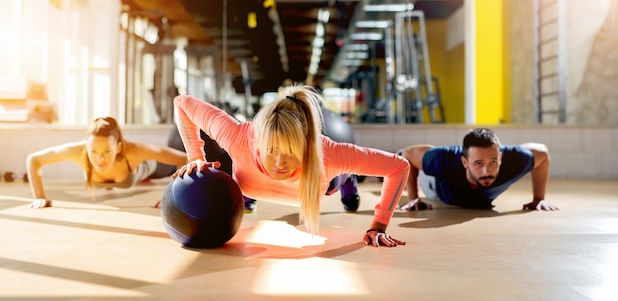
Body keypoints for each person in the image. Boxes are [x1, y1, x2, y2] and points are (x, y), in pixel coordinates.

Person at [173, 84, 410, 247]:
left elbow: (399, 167)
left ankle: (348, 181)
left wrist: (378, 225)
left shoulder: (329, 155)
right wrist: (195, 157)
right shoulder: (237, 137)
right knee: (245, 183)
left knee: (337, 179)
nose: (279, 163)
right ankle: (250, 195)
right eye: (271, 150)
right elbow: (182, 103)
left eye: (290, 152)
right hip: (250, 183)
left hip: (323, 183)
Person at [26, 116, 188, 209]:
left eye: (107, 152)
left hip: (154, 169)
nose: (100, 159)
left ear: (118, 148)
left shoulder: (133, 151)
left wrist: (171, 198)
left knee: (176, 159)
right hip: (131, 175)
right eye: (93, 152)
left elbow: (182, 159)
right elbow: (34, 160)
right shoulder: (78, 152)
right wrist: (38, 197)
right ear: (87, 145)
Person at [398, 127, 559, 212]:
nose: (486, 172)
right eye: (479, 163)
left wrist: (539, 198)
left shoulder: (514, 160)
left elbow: (542, 153)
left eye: (493, 162)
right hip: (434, 186)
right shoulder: (444, 159)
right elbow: (409, 154)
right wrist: (413, 197)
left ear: (501, 158)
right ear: (465, 162)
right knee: (400, 161)